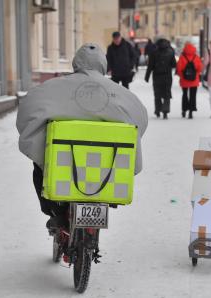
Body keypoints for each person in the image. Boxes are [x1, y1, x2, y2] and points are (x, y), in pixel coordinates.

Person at [16, 43, 148, 229]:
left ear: (75, 63)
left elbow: (27, 110)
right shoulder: (122, 95)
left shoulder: (50, 88)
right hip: (107, 168)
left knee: (39, 168)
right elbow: (140, 121)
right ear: (103, 64)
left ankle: (55, 212)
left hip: (63, 161)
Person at [144, 38, 176, 119]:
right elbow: (174, 64)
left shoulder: (154, 52)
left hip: (157, 76)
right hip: (167, 76)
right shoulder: (170, 52)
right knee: (167, 94)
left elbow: (150, 66)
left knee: (157, 94)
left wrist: (147, 77)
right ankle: (165, 112)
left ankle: (158, 111)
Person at [176, 43, 203, 119]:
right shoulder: (196, 57)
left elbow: (179, 69)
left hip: (184, 80)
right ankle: (191, 111)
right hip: (194, 80)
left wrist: (182, 76)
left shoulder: (182, 57)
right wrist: (196, 75)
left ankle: (184, 110)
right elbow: (200, 68)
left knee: (184, 95)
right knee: (193, 95)